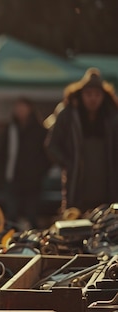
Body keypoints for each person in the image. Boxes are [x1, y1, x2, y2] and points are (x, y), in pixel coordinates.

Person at [45, 67, 118, 214]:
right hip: (77, 187)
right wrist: (69, 163)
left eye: (97, 95)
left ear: (103, 96)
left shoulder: (112, 117)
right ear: (81, 95)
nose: (93, 99)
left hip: (108, 188)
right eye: (89, 94)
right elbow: (52, 145)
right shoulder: (68, 115)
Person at [0, 98, 51, 229]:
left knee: (32, 214)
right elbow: (1, 153)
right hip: (13, 177)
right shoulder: (10, 129)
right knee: (12, 214)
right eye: (18, 108)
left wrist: (41, 170)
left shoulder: (39, 131)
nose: (20, 111)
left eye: (23, 107)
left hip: (33, 179)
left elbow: (48, 154)